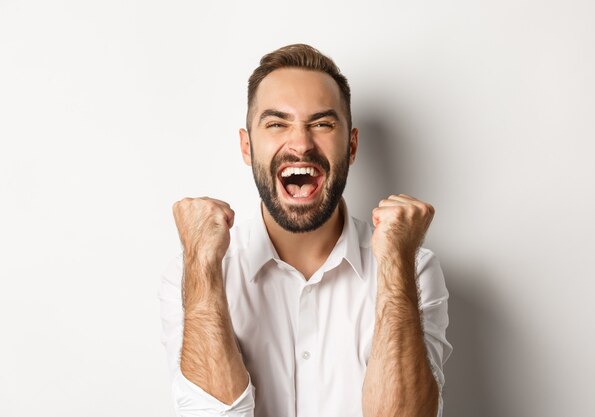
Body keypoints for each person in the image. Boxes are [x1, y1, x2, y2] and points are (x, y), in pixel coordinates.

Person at [159, 43, 452, 417]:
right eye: (277, 123)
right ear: (247, 147)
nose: (300, 143)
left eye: (322, 124)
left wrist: (396, 261)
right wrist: (201, 263)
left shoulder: (413, 270)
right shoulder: (193, 276)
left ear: (351, 145)